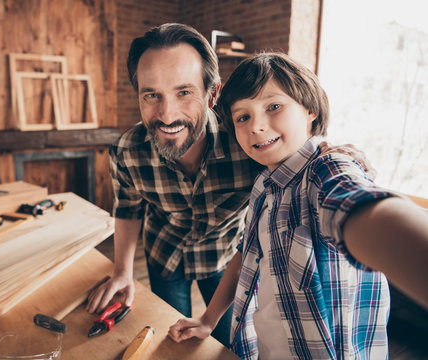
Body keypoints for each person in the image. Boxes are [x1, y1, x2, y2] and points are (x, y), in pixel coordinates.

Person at [86, 23, 373, 347]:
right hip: (163, 253)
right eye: (152, 95)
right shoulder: (126, 151)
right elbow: (128, 207)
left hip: (224, 256)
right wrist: (123, 271)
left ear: (212, 94)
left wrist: (333, 154)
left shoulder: (250, 142)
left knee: (226, 343)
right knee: (174, 338)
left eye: (184, 92)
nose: (166, 115)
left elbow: (310, 167)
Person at [168, 52, 428, 359]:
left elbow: (364, 209)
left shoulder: (327, 169)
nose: (256, 126)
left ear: (310, 110)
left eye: (273, 106)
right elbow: (246, 255)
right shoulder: (265, 186)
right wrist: (208, 319)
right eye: (243, 117)